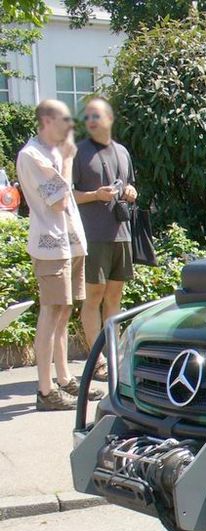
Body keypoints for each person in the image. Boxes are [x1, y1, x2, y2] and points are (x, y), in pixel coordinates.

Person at [16, 100, 99, 410]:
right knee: (51, 312)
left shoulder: (49, 152)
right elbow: (59, 201)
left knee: (64, 311)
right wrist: (66, 161)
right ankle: (45, 390)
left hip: (70, 243)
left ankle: (63, 380)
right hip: (51, 245)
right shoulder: (32, 155)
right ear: (47, 121)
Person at [72, 96, 138, 382]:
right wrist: (95, 196)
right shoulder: (77, 152)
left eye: (97, 116)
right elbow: (68, 194)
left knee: (114, 296)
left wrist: (132, 191)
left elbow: (131, 182)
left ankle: (113, 355)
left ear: (109, 119)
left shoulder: (122, 151)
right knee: (94, 297)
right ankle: (96, 360)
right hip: (93, 236)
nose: (92, 122)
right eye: (88, 117)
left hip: (121, 234)